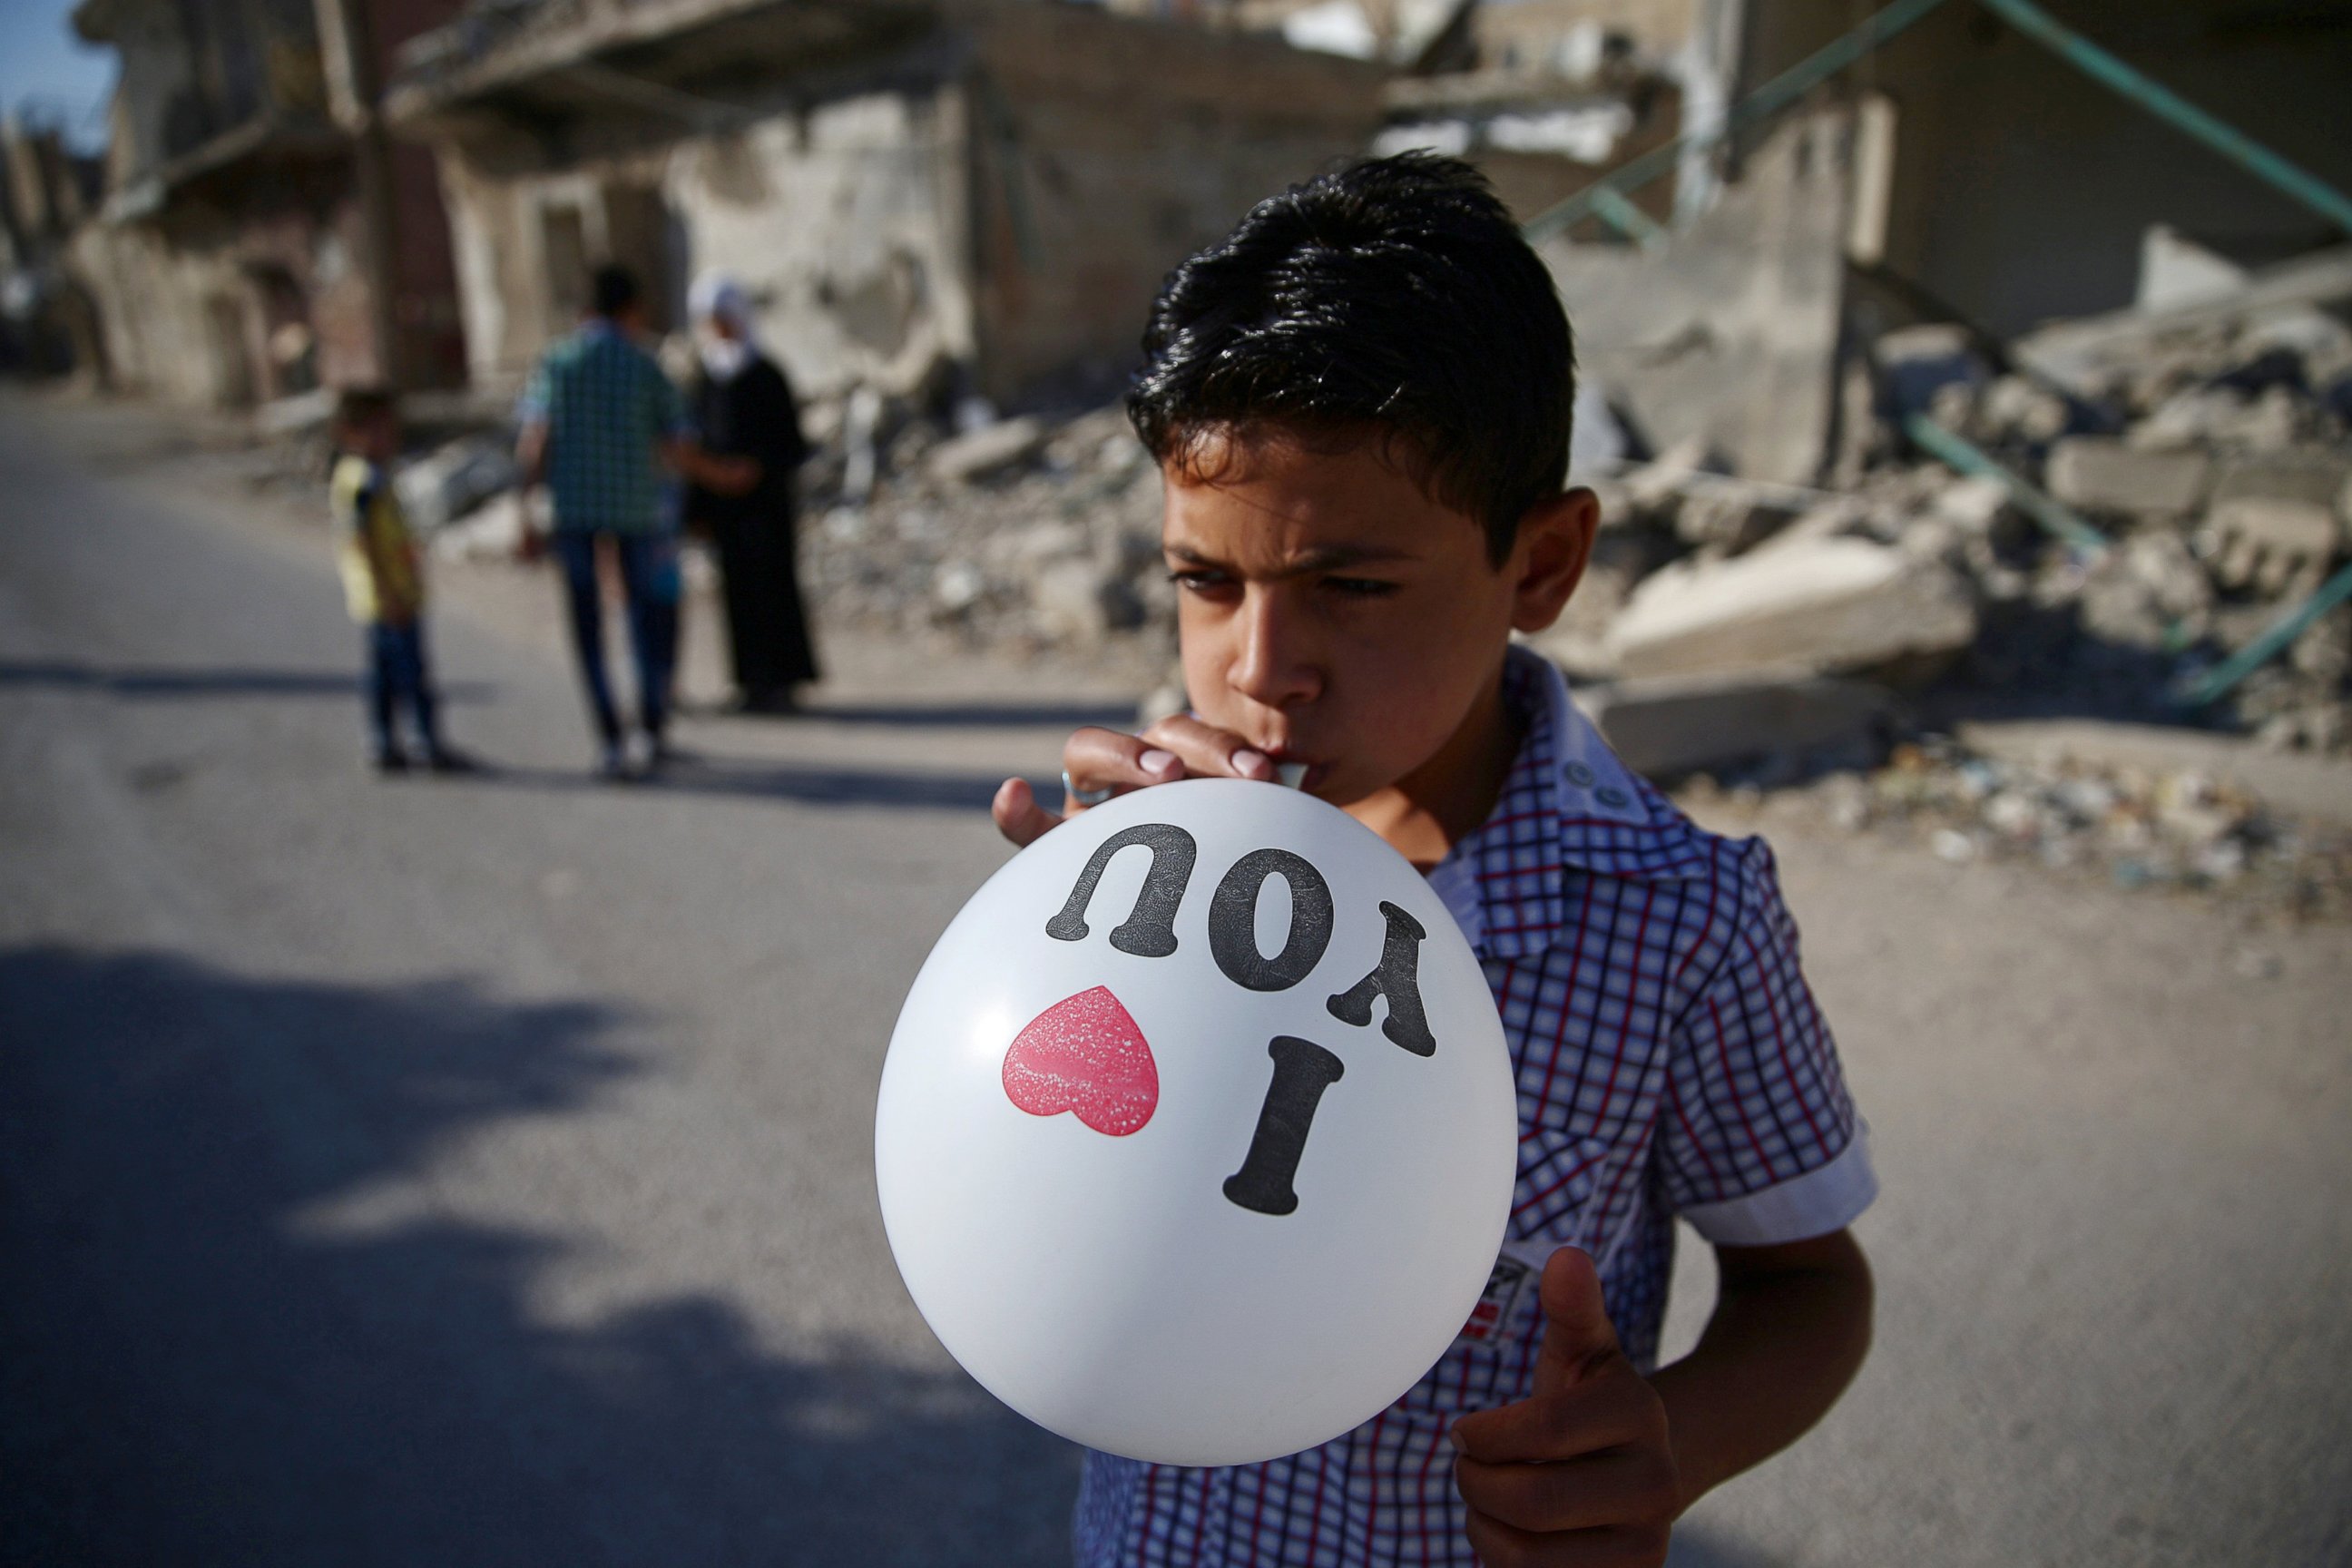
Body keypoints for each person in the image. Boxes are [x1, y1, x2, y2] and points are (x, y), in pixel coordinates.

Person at [992, 153, 1877, 1567]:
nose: (1263, 672)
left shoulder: (1676, 923)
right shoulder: (1151, 865)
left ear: (1541, 565)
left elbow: (1810, 1284)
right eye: (1207, 583)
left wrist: (1670, 1444)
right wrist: (1051, 950)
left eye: (1353, 587)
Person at [516, 264, 746, 778]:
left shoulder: (557, 362)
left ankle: (610, 739)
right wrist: (720, 477)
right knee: (647, 620)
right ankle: (649, 729)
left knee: (588, 627)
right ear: (632, 310)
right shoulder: (645, 367)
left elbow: (534, 442)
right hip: (639, 514)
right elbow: (677, 445)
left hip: (573, 513)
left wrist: (525, 514)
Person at [683, 270, 819, 713]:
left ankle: (784, 680)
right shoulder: (707, 377)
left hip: (767, 505)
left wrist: (757, 468)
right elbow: (697, 442)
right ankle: (748, 682)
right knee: (736, 596)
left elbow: (791, 444)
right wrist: (699, 505)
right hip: (726, 508)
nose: (718, 327)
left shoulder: (766, 374)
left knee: (774, 588)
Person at [329, 387, 471, 776]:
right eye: (378, 430)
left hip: (389, 594)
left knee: (387, 674)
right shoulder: (363, 481)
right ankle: (423, 743)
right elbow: (363, 541)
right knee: (409, 673)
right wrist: (389, 591)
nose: (388, 438)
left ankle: (386, 743)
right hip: (387, 598)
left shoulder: (371, 474)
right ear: (350, 433)